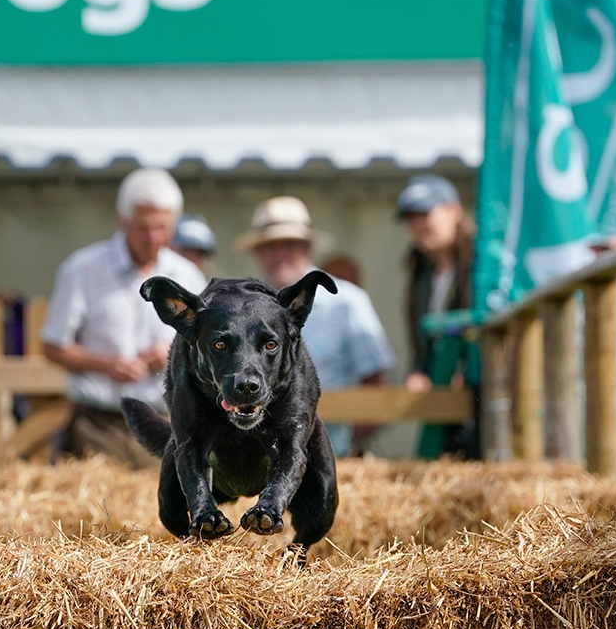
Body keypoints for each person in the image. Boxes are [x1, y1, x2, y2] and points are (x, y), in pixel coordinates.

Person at [41, 168, 207, 467]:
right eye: (143, 228)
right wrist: (105, 365)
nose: (153, 237)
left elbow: (207, 346)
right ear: (122, 220)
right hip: (97, 426)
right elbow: (54, 346)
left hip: (167, 422)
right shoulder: (82, 270)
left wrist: (174, 353)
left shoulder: (188, 276)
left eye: (162, 227)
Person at [235, 195, 396, 458]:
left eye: (289, 244)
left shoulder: (346, 302)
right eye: (270, 246)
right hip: (256, 459)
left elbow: (377, 381)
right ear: (258, 253)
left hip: (329, 454)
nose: (280, 254)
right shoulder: (240, 306)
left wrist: (341, 443)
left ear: (308, 248)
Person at [396, 173, 479, 458]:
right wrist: (418, 371)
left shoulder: (483, 265)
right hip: (441, 404)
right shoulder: (419, 274)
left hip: (483, 399)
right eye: (411, 217)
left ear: (454, 212)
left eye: (425, 213)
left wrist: (464, 374)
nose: (417, 224)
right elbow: (421, 341)